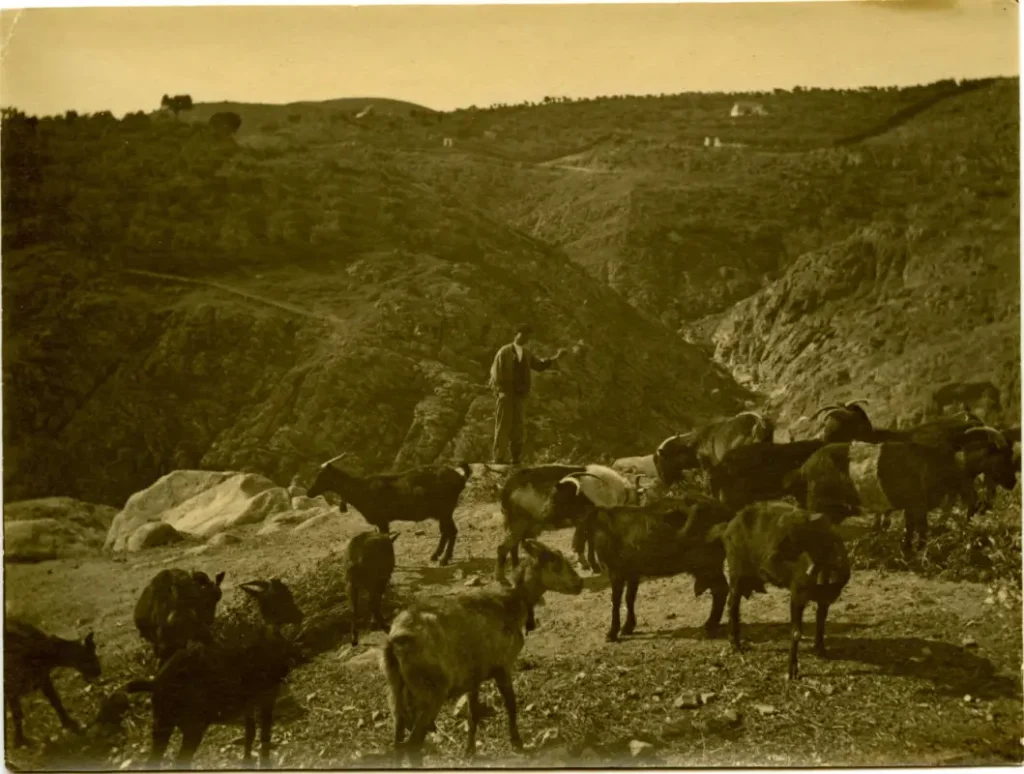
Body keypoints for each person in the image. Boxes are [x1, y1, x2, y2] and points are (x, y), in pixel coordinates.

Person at [488, 324, 566, 465]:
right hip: (506, 395)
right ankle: (498, 458)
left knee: (519, 427)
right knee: (503, 426)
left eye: (527, 337)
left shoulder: (527, 354)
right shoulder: (504, 352)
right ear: (516, 334)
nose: (525, 339)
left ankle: (515, 458)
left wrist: (555, 357)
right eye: (523, 335)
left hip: (520, 396)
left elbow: (539, 366)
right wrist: (500, 392)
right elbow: (495, 374)